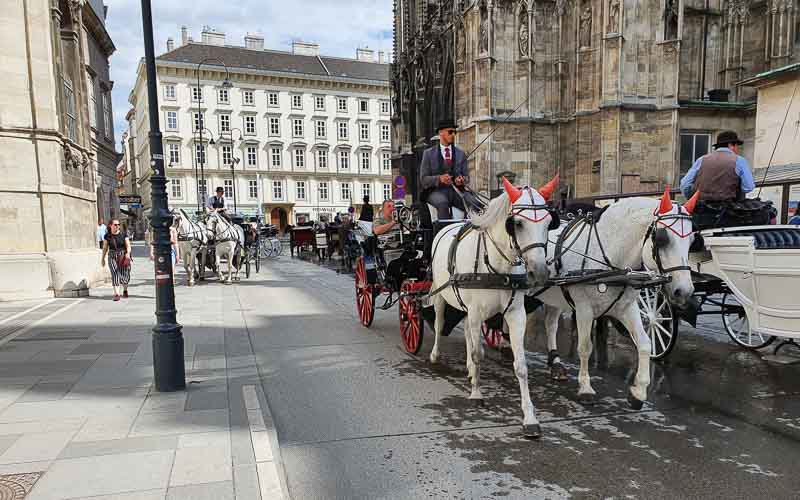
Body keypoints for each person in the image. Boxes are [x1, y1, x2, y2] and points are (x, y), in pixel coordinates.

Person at [419, 119, 480, 221]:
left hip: (456, 191)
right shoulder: (428, 154)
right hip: (435, 191)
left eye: (454, 132)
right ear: (440, 132)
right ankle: (443, 233)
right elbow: (423, 179)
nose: (453, 135)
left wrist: (461, 180)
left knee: (475, 203)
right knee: (443, 203)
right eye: (450, 132)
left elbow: (466, 177)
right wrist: (439, 179)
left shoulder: (461, 154)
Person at [680, 130, 755, 202]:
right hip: (730, 209)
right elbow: (748, 187)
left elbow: (684, 184)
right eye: (736, 146)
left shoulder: (701, 160)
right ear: (730, 145)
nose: (737, 149)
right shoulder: (739, 160)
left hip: (701, 209)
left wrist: (692, 198)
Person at [100, 219, 131, 301]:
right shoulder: (107, 236)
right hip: (112, 256)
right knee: (115, 273)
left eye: (118, 224)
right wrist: (102, 258)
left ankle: (125, 290)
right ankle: (117, 294)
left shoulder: (123, 234)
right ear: (110, 225)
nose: (117, 226)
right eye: (115, 224)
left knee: (125, 276)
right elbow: (105, 248)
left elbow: (128, 245)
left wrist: (128, 253)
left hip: (123, 255)